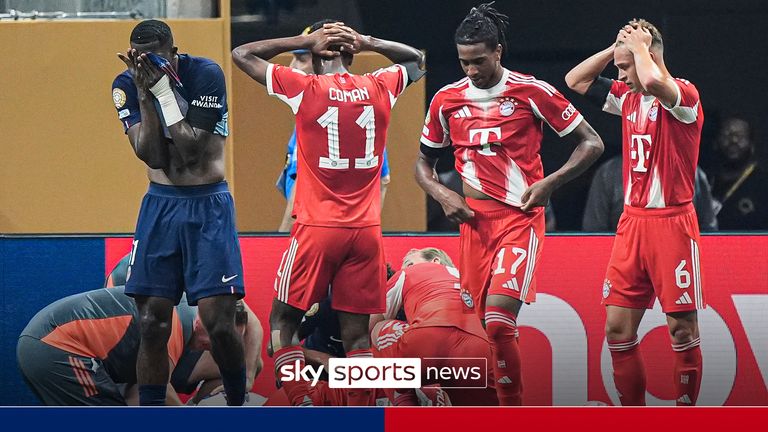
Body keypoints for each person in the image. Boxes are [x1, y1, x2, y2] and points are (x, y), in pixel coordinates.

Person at [415, 3, 603, 405]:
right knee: (487, 327)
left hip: (519, 219)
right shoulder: (447, 100)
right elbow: (422, 163)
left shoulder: (531, 91)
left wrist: (551, 183)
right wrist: (442, 193)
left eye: (479, 61)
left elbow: (592, 142)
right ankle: (502, 405)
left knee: (499, 320)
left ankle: (513, 414)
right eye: (464, 62)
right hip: (473, 224)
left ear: (498, 51)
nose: (471, 70)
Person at [232, 20, 425, 406]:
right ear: (352, 54)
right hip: (367, 231)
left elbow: (242, 55)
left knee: (282, 325)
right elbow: (418, 61)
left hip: (318, 228)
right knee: (357, 338)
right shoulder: (380, 85)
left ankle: (302, 402)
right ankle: (363, 411)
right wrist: (369, 40)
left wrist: (305, 40)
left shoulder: (304, 88)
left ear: (318, 56)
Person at [565, 19, 705, 406]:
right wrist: (618, 46)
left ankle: (685, 412)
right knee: (617, 329)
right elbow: (575, 80)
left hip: (672, 225)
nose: (620, 75)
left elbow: (658, 83)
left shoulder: (684, 98)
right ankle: (634, 415)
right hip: (632, 225)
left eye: (625, 67)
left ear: (651, 56)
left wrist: (642, 49)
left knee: (681, 329)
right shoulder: (628, 98)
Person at [112, 19, 247, 406]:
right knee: (152, 323)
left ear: (173, 50)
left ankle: (237, 404)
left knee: (219, 324)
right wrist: (145, 93)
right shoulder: (126, 84)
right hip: (160, 206)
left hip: (208, 206)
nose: (145, 64)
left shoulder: (204, 73)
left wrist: (163, 92)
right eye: (138, 57)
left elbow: (190, 152)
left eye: (154, 56)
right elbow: (153, 155)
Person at [17, 286, 258, 406]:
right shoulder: (170, 327)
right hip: (57, 345)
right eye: (218, 338)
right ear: (200, 321)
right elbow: (151, 396)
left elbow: (251, 323)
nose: (218, 346)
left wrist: (245, 376)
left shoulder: (201, 311)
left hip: (45, 342)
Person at [276, 27, 392, 232]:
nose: (293, 66)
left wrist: (282, 239)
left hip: (314, 231)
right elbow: (383, 179)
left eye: (301, 58)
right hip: (360, 229)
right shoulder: (365, 104)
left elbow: (299, 188)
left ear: (326, 57)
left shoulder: (313, 112)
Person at [369, 248, 498, 406]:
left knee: (378, 328)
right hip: (477, 350)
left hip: (428, 340)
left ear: (435, 261)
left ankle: (407, 404)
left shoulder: (407, 274)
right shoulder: (472, 279)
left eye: (409, 263)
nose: (404, 269)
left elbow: (368, 327)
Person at [583, 155, 718, 231]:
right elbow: (594, 231)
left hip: (678, 261)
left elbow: (709, 228)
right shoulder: (609, 172)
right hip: (625, 261)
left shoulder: (691, 172)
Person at [708, 117, 768, 230]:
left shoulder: (763, 185)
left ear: (752, 146)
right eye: (727, 134)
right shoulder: (703, 180)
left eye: (741, 136)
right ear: (715, 143)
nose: (734, 140)